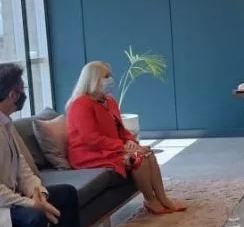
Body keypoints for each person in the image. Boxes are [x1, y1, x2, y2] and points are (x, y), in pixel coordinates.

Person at [0, 63, 108, 227]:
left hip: (12, 199)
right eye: (22, 89)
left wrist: (38, 192)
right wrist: (31, 205)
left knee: (66, 195)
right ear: (13, 94)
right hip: (4, 205)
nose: (24, 94)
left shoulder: (6, 123)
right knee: (33, 218)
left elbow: (21, 167)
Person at [66, 61, 184, 215]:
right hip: (90, 154)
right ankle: (150, 200)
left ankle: (163, 198)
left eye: (110, 75)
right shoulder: (81, 104)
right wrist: (122, 147)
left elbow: (120, 129)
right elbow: (91, 139)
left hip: (110, 147)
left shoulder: (110, 101)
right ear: (93, 79)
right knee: (139, 159)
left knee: (148, 154)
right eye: (106, 76)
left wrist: (130, 141)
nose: (110, 80)